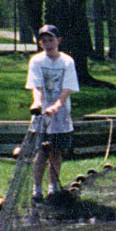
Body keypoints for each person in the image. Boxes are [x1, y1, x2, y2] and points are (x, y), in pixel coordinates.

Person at [25, 24, 79, 203]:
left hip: (61, 114)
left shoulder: (67, 62)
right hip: (41, 115)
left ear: (59, 41)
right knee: (41, 152)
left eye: (51, 40)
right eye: (44, 41)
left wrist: (57, 105)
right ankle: (37, 189)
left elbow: (67, 88)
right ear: (40, 43)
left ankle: (52, 188)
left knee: (56, 151)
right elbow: (37, 86)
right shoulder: (36, 61)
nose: (48, 44)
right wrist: (38, 102)